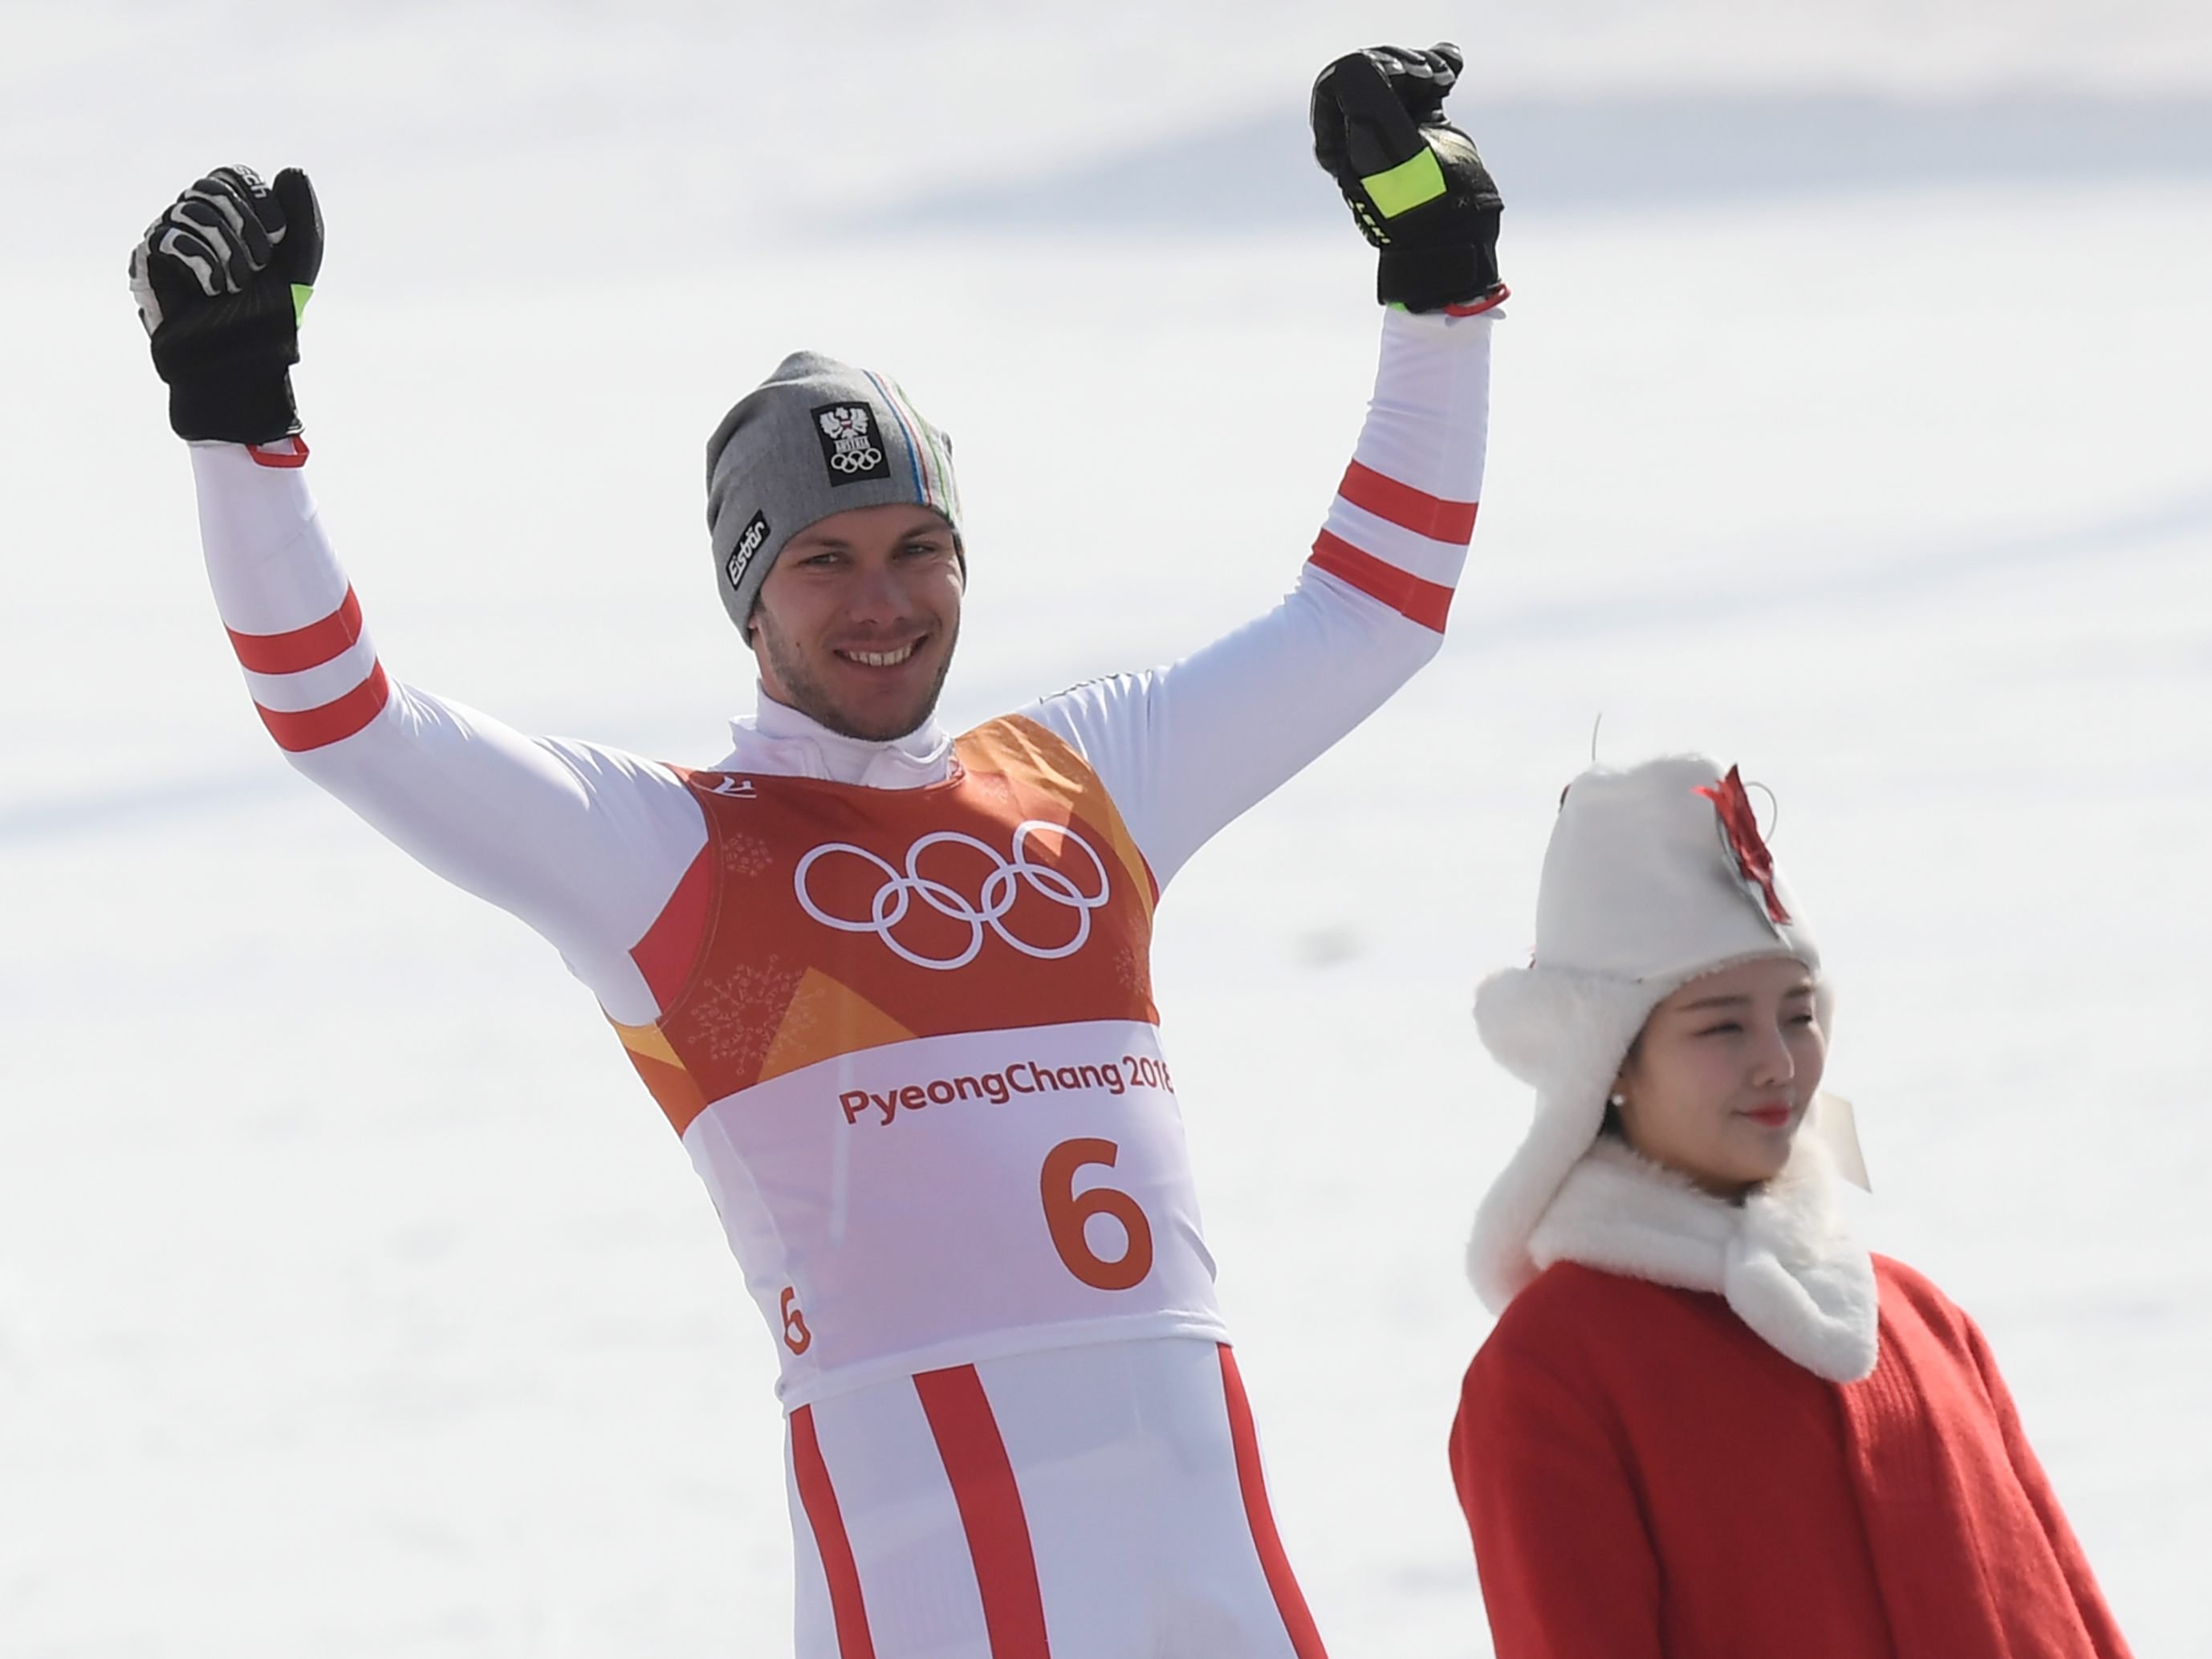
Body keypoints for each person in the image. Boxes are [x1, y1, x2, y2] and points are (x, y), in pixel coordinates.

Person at [130, 43, 1505, 1659]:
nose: (883, 599)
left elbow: (1369, 612)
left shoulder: (1083, 783)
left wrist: (1439, 284)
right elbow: (339, 713)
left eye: (920, 548)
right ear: (749, 596)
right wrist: (240, 424)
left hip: (1198, 1527)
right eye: (826, 559)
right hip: (930, 1536)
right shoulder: (666, 852)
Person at [1449, 755, 2134, 1657]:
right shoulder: (1555, 1368)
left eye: (1798, 1015)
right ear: (1607, 1061)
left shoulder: (1921, 1323)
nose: (1777, 1061)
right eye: (1721, 1024)